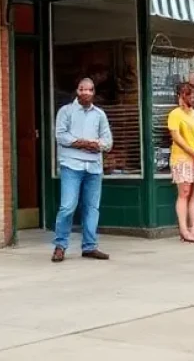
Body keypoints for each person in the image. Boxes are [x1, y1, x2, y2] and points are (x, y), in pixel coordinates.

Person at [51, 77, 113, 263]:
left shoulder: (100, 115)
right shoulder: (66, 111)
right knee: (67, 206)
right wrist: (84, 144)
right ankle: (60, 246)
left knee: (92, 208)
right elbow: (61, 136)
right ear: (77, 91)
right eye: (82, 89)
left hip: (94, 168)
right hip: (71, 165)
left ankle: (89, 246)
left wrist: (97, 145)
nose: (86, 92)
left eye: (90, 90)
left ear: (94, 92)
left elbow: (108, 142)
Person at [168, 82, 194, 244]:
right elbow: (176, 138)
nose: (192, 97)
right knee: (184, 193)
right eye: (188, 94)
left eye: (193, 94)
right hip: (182, 158)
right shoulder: (175, 114)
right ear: (180, 96)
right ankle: (183, 230)